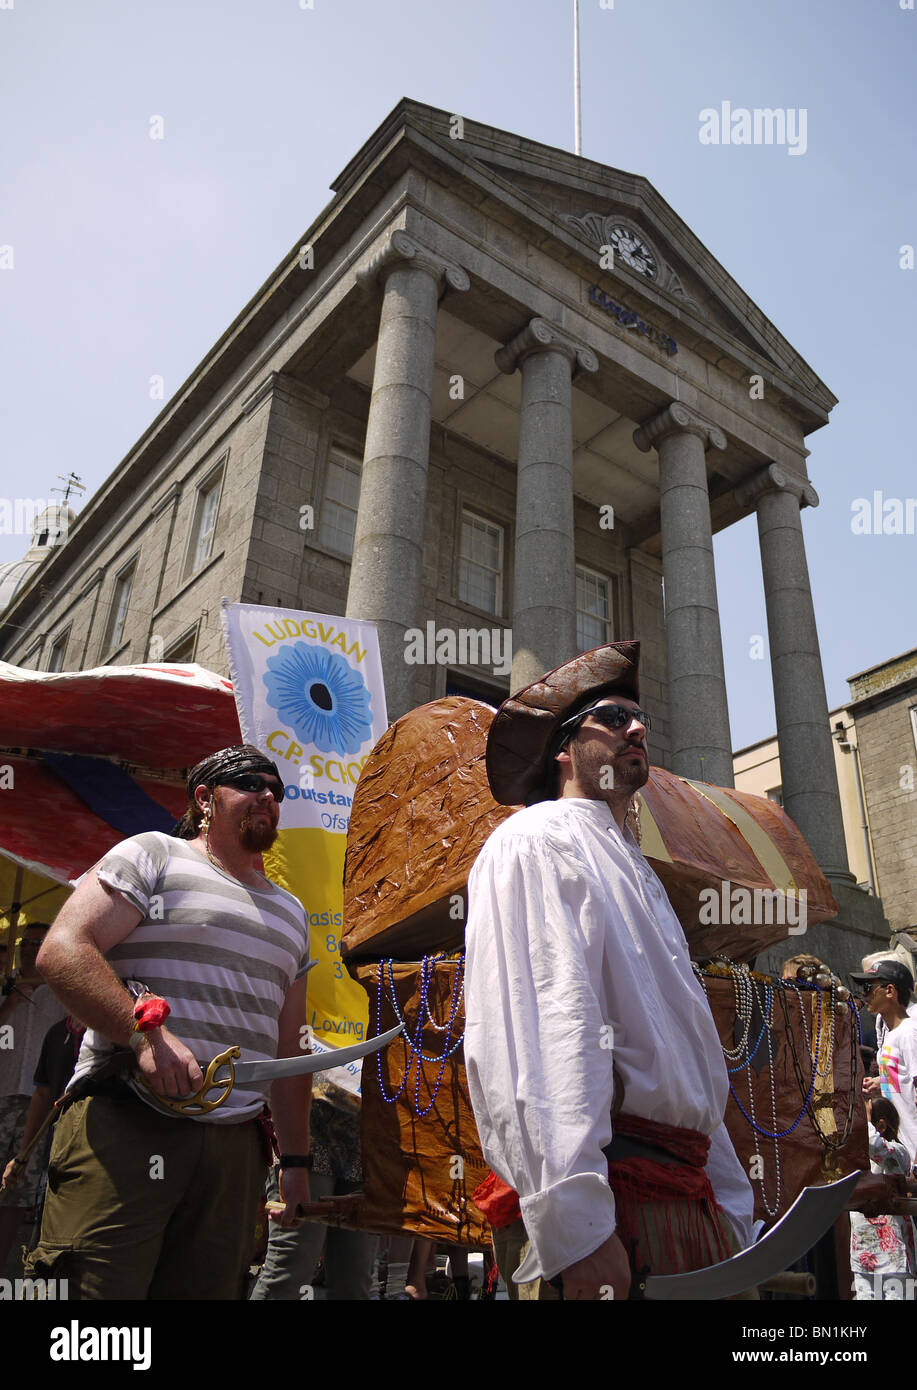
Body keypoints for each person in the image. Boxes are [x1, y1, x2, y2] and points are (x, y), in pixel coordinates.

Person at [465, 642, 755, 1300]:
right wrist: (577, 1231)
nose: (637, 727)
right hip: (610, 1211)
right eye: (612, 717)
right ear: (562, 751)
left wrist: (732, 1213)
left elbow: (689, 1066)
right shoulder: (535, 839)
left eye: (638, 716)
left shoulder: (636, 870)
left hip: (686, 1204)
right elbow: (544, 1033)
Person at [26, 744, 315, 1300]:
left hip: (235, 1149)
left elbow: (290, 1049)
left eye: (277, 790)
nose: (268, 797)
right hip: (127, 1122)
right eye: (251, 783)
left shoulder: (292, 912)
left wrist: (296, 1161)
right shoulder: (152, 853)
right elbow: (62, 950)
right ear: (205, 797)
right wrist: (142, 1035)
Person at [0, 922, 64, 1272]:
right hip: (1, 1092)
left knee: (16, 1191)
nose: (30, 947)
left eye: (39, 942)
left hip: (35, 1099)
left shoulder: (59, 991)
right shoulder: (4, 983)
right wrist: (10, 1001)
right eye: (26, 941)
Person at [849, 1097, 917, 1300]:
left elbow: (876, 1147)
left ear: (881, 1126)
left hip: (893, 1259)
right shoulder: (855, 1159)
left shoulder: (898, 1153)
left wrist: (866, 1122)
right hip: (863, 1257)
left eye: (866, 1122)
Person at [853, 959, 917, 1167]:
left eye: (868, 987)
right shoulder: (891, 1034)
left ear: (890, 991)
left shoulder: (909, 1033)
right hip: (904, 1145)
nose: (864, 994)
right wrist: (882, 1080)